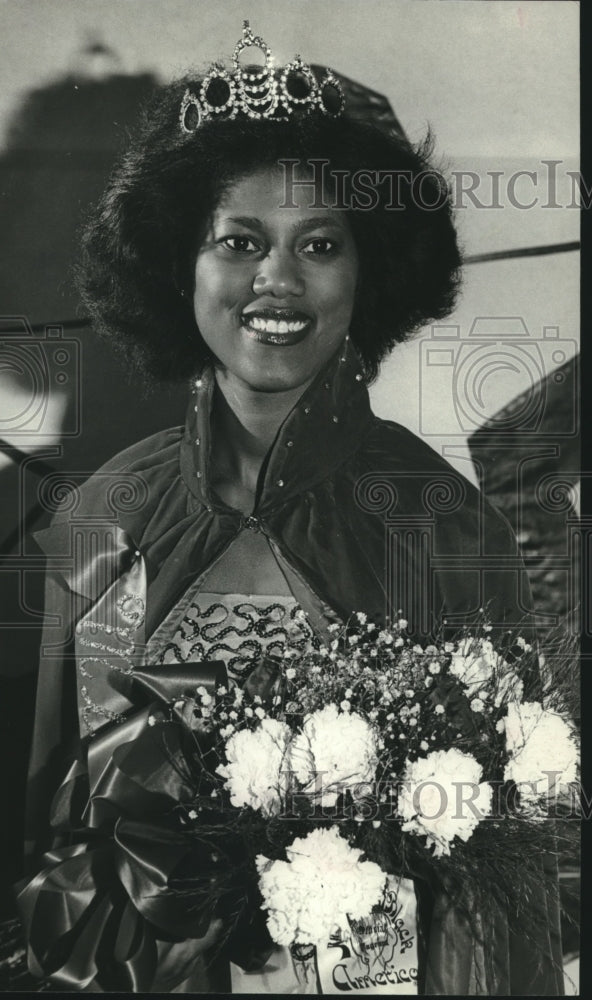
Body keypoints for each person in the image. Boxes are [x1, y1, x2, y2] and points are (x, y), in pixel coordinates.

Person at [17, 22, 563, 996]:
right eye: (239, 241)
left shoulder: (442, 528)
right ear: (180, 266)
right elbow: (63, 870)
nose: (276, 279)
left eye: (319, 243)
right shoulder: (101, 521)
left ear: (366, 270)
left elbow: (500, 898)